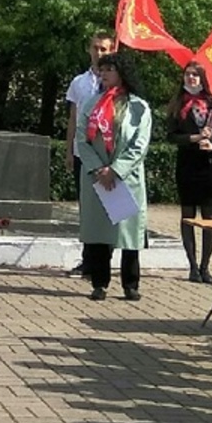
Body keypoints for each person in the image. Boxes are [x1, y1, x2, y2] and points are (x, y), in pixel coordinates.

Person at [74, 48, 152, 302]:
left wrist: (116, 170)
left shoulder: (138, 107)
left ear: (123, 74)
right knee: (99, 231)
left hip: (124, 178)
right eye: (102, 69)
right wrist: (99, 168)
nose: (104, 73)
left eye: (110, 69)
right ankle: (99, 282)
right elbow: (82, 140)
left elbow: (139, 145)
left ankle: (130, 283)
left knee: (127, 232)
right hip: (97, 178)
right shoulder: (90, 104)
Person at [169, 61, 212, 285]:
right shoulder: (178, 104)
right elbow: (172, 136)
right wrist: (193, 139)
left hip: (210, 164)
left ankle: (206, 266)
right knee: (187, 215)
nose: (191, 79)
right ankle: (192, 266)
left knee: (209, 216)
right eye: (188, 75)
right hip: (187, 164)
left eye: (195, 75)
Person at [65, 32, 115, 193]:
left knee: (112, 205)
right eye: (95, 48)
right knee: (85, 201)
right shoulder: (78, 82)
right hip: (82, 151)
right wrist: (69, 151)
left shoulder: (116, 83)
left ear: (111, 52)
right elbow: (73, 118)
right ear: (89, 50)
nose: (99, 53)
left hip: (107, 151)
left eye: (103, 49)